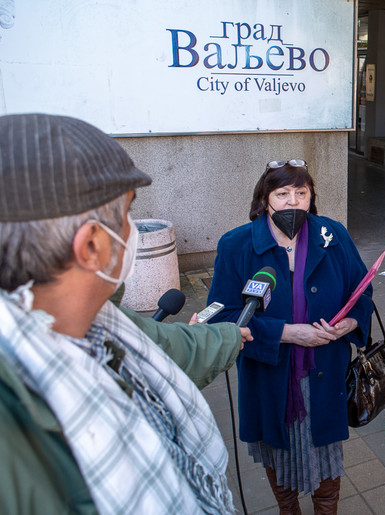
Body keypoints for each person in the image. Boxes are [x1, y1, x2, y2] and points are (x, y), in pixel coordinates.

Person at [0, 113, 251, 514]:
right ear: (92, 247)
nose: (133, 231)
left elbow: (169, 346)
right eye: (128, 215)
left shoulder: (99, 319)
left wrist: (227, 337)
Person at [206, 159, 373, 514]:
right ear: (265, 199)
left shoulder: (333, 236)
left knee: (327, 468)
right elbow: (221, 316)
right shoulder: (237, 245)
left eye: (301, 192)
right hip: (271, 377)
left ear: (311, 197)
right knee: (279, 462)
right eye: (282, 194)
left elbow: (362, 291)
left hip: (324, 374)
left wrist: (351, 324)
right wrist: (287, 333)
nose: (293, 201)